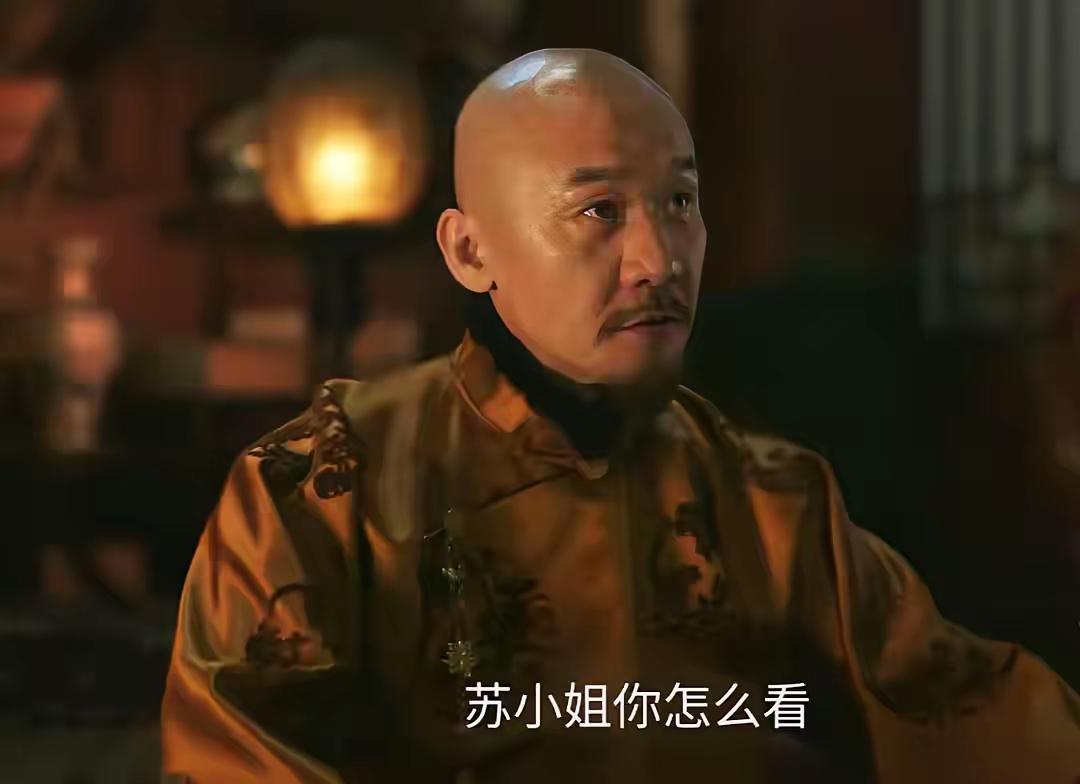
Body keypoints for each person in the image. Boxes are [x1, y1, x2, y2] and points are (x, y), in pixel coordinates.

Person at [161, 49, 1080, 783]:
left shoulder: (774, 501)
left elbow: (971, 715)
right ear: (470, 249)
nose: (658, 259)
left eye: (679, 202)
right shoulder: (325, 486)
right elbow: (241, 753)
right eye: (599, 209)